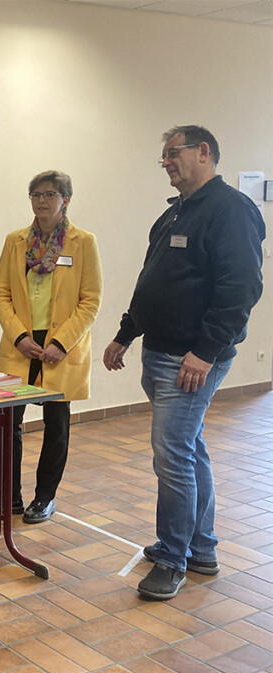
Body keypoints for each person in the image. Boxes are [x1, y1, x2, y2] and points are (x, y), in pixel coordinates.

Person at [104, 126, 264, 601]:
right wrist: (125, 333)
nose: (167, 162)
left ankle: (172, 559)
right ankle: (201, 548)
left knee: (172, 454)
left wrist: (205, 351)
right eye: (163, 158)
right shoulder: (174, 213)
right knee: (188, 449)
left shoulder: (231, 210)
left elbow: (241, 291)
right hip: (161, 351)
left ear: (203, 151)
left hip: (190, 359)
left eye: (172, 154)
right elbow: (151, 281)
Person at [0, 171, 102, 523]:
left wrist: (61, 342)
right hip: (21, 345)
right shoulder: (15, 241)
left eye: (50, 194)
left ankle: (44, 498)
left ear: (65, 200)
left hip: (62, 346)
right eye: (35, 194)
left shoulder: (83, 242)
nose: (41, 200)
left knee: (56, 425)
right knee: (8, 422)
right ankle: (8, 496)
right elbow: (2, 293)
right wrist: (18, 337)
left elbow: (90, 301)